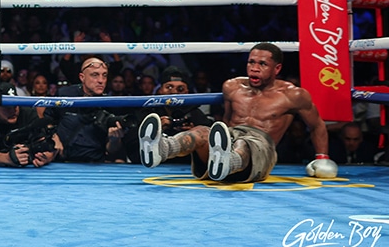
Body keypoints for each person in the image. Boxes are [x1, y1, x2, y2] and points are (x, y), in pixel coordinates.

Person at [138, 43, 336, 182]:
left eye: (262, 64)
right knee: (201, 131)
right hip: (228, 139)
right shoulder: (232, 86)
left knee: (243, 143)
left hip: (261, 147)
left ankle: (228, 161)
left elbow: (317, 125)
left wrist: (321, 158)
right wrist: (217, 138)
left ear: (277, 68)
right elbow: (224, 125)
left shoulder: (293, 95)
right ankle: (162, 149)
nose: (254, 69)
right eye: (251, 62)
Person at [44, 57, 126, 162]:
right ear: (82, 77)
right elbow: (47, 118)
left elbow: (112, 151)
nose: (101, 81)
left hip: (95, 164)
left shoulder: (110, 104)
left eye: (104, 75)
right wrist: (53, 137)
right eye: (95, 75)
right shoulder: (65, 95)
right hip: (62, 160)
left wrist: (115, 140)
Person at [0, 83, 56, 167]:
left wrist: (46, 157)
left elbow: (47, 145)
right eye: (7, 107)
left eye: (15, 105)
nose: (13, 111)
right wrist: (6, 158)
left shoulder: (28, 113)